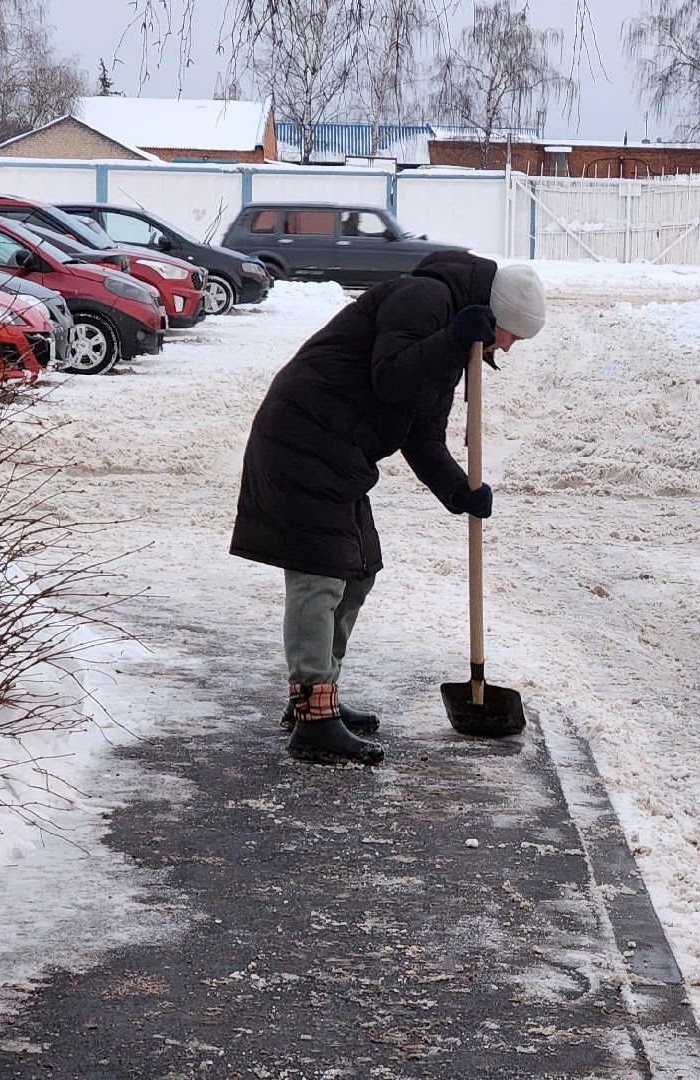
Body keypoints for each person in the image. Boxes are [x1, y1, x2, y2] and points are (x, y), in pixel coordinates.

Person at [230, 253, 546, 766]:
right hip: (304, 435)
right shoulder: (424, 298)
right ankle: (314, 719)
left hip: (339, 451)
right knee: (322, 576)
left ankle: (317, 695)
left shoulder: (457, 340)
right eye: (511, 333)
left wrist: (458, 490)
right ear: (494, 311)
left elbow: (422, 435)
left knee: (358, 572)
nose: (507, 346)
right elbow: (390, 378)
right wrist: (449, 341)